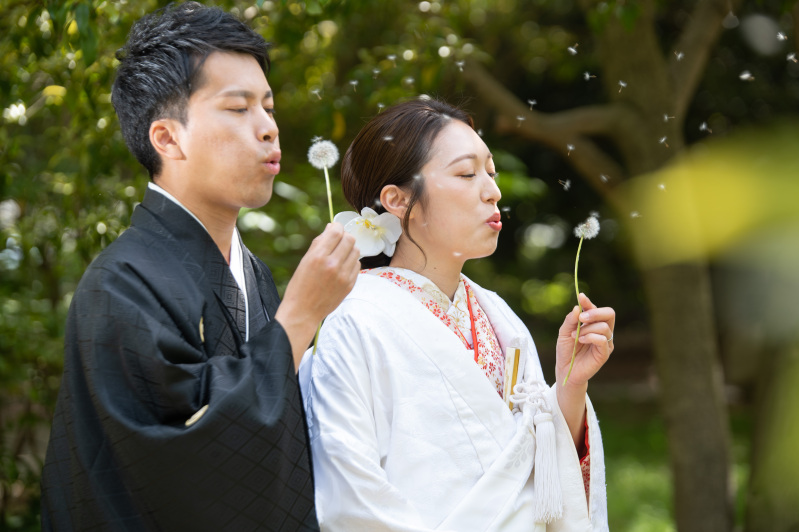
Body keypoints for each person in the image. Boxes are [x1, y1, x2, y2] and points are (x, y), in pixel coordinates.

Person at [40, 3, 359, 530]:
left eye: (269, 107)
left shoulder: (252, 274)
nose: (268, 130)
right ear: (167, 138)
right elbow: (186, 458)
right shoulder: (121, 284)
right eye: (238, 109)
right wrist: (301, 317)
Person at [299, 98, 614, 531]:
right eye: (467, 174)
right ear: (396, 198)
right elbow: (350, 498)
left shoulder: (497, 315)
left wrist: (570, 386)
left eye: (491, 172)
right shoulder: (356, 322)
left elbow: (539, 475)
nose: (493, 191)